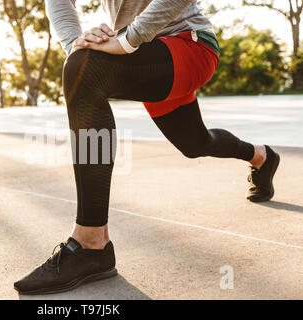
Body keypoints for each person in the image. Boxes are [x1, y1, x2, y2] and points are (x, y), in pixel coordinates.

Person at [14, 0, 281, 295]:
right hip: (145, 51)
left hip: (189, 44)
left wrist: (128, 39)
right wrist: (74, 43)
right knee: (195, 143)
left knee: (84, 71)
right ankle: (261, 156)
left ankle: (92, 244)